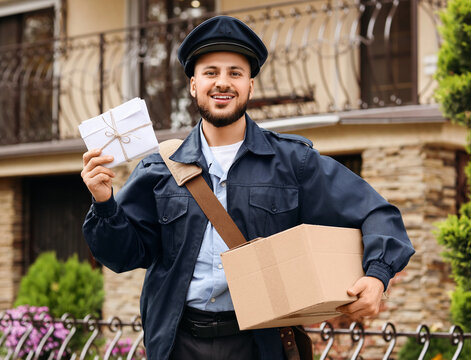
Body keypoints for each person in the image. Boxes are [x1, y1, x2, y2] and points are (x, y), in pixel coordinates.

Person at [81, 15, 415, 360]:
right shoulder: (158, 170)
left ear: (250, 86)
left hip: (260, 345)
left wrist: (377, 276)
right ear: (193, 85)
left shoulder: (294, 162)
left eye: (235, 73)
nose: (222, 83)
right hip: (178, 346)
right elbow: (123, 256)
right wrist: (104, 201)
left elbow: (378, 213)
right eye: (211, 72)